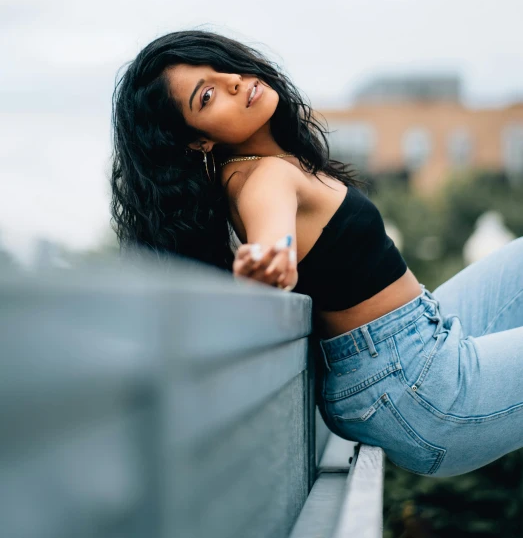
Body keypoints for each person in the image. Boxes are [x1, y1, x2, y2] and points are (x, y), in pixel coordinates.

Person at [111, 29, 523, 478]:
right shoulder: (265, 178)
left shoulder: (255, 170)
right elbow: (271, 240)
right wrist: (268, 263)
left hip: (402, 354)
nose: (233, 81)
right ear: (197, 141)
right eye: (207, 95)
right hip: (419, 391)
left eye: (223, 66)